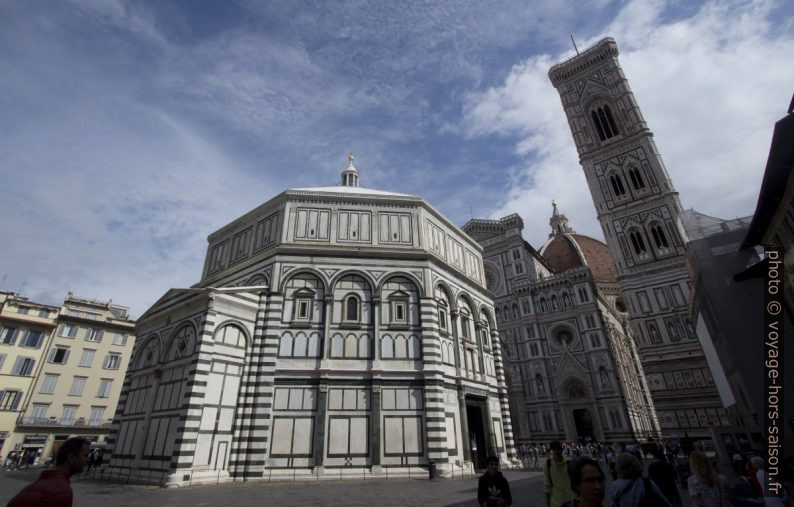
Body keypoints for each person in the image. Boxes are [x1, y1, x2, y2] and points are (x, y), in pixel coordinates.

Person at [6, 436, 90, 507]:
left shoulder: (34, 485)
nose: (88, 460)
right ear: (71, 457)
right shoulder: (61, 491)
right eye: (85, 455)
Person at [545, 440, 575, 507]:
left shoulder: (568, 463)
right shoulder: (548, 464)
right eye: (554, 450)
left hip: (571, 500)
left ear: (561, 450)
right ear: (551, 451)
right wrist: (548, 503)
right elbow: (547, 485)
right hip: (556, 503)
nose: (556, 452)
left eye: (558, 449)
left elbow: (575, 481)